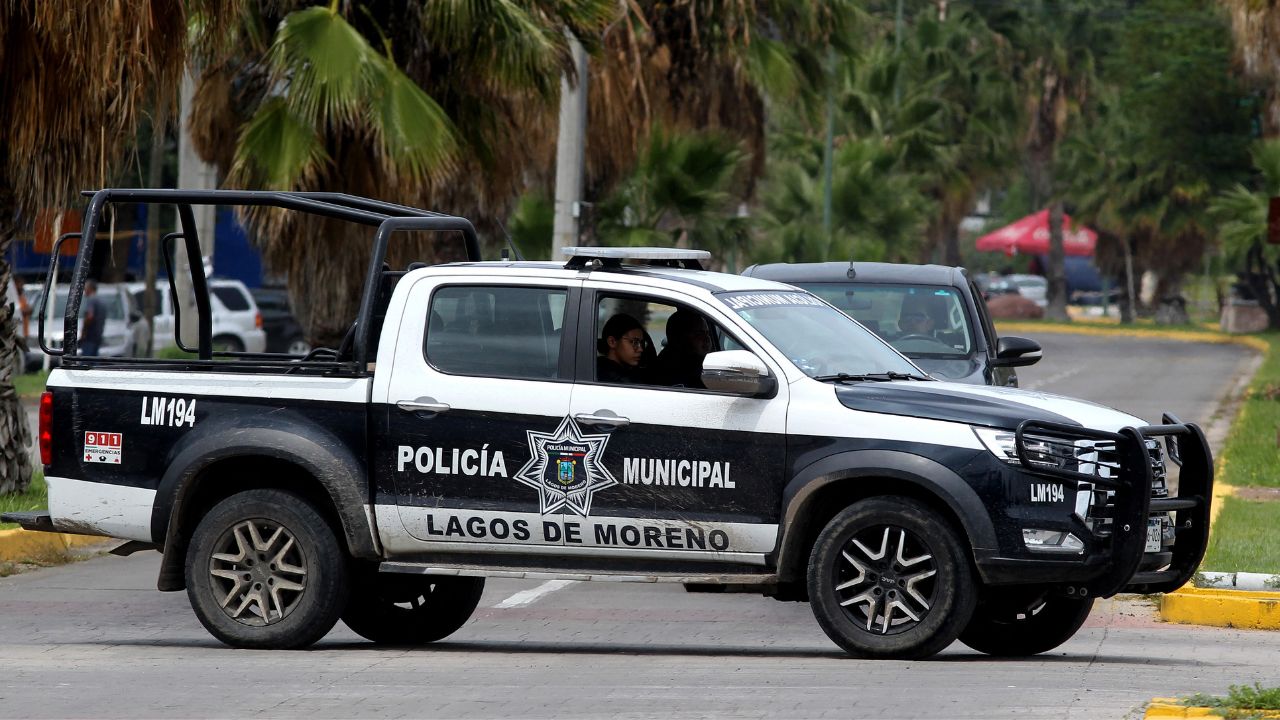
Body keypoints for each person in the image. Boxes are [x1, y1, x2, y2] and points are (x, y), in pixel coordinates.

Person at [658, 309, 712, 388]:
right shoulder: (671, 369)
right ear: (680, 337)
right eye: (699, 334)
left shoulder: (700, 363)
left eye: (707, 333)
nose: (707, 338)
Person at [596, 313, 646, 384]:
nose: (640, 349)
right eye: (634, 342)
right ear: (612, 342)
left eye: (641, 343)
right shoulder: (610, 379)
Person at [80, 280, 107, 356]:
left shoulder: (91, 300)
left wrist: (84, 331)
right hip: (98, 336)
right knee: (94, 359)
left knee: (86, 360)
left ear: (90, 288)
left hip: (89, 336)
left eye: (85, 288)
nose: (84, 291)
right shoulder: (101, 301)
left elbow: (90, 316)